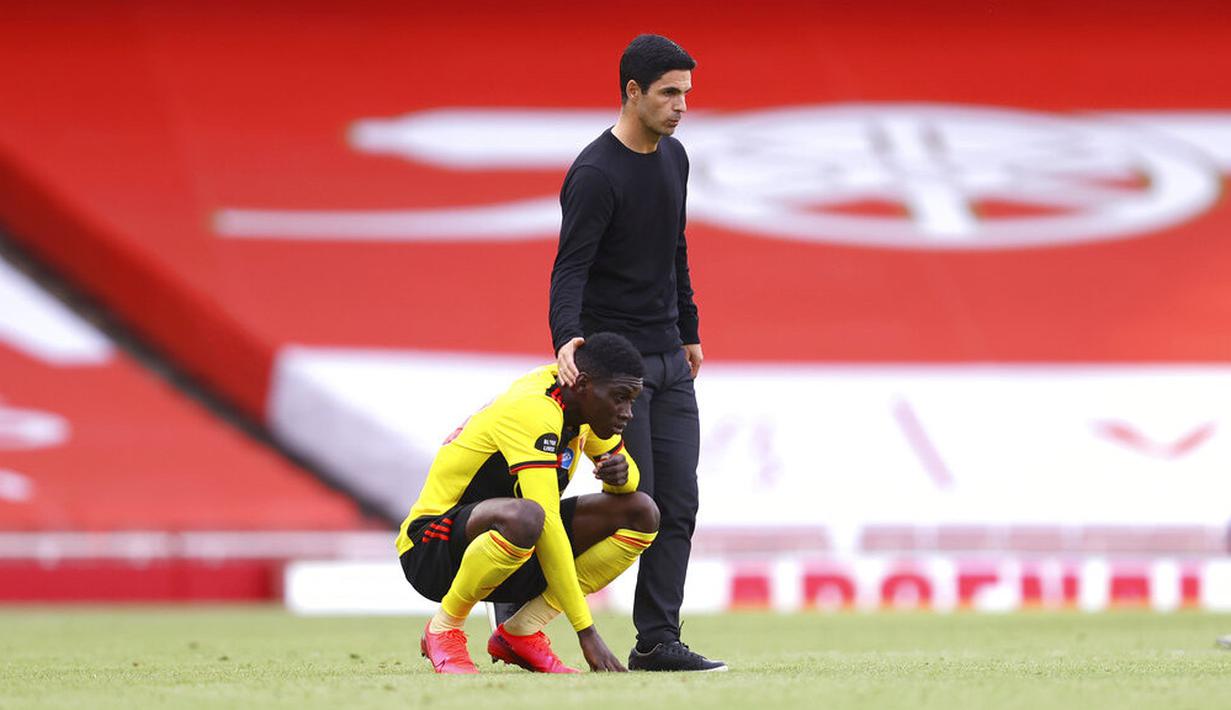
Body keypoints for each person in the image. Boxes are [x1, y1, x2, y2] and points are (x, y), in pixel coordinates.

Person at [547, 34, 725, 672]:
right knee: (635, 506)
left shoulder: (675, 159)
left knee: (679, 502)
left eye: (686, 94)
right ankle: (523, 598)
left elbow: (674, 246)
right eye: (668, 93)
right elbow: (569, 268)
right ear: (632, 92)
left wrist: (689, 327)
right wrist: (566, 335)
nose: (681, 106)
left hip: (670, 360)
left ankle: (657, 641)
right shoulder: (596, 173)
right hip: (617, 367)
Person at [396, 332, 660, 674]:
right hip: (431, 550)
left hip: (515, 548)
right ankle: (443, 628)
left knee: (641, 513)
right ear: (582, 384)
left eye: (632, 400)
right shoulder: (533, 407)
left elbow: (631, 482)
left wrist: (622, 477)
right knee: (528, 516)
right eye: (620, 398)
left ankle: (520, 632)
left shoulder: (587, 407)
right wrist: (587, 632)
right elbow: (546, 519)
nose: (628, 413)